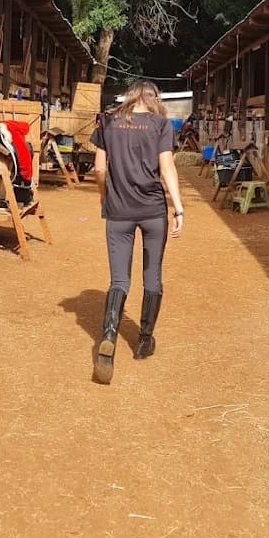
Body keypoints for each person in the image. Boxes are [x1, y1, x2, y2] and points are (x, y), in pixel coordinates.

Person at [91, 80, 184, 384]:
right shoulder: (161, 125)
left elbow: (99, 170)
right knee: (152, 277)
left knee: (119, 279)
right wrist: (178, 207)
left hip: (118, 212)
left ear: (129, 97)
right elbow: (167, 167)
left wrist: (105, 196)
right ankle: (144, 340)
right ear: (153, 98)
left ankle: (108, 336)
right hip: (153, 212)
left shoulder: (107, 122)